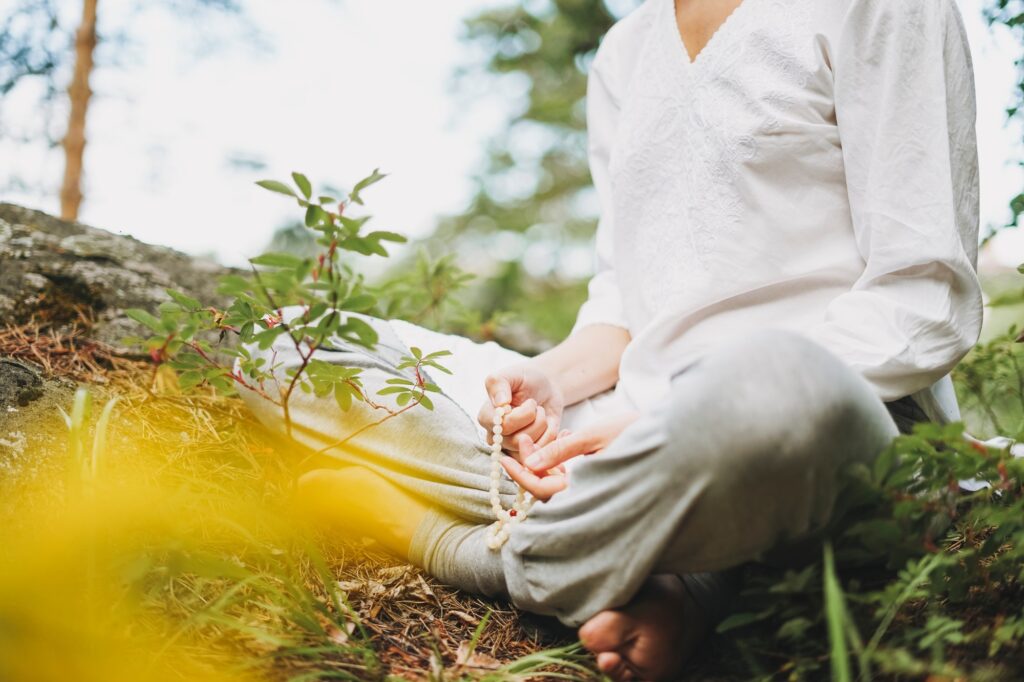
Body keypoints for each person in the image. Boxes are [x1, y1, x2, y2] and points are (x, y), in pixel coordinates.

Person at [239, 0, 984, 678]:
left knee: (776, 385)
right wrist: (551, 383)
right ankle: (663, 566)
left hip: (824, 418)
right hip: (633, 421)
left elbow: (922, 297)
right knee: (281, 347)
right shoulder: (627, 52)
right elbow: (626, 301)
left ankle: (467, 550)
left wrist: (669, 426)